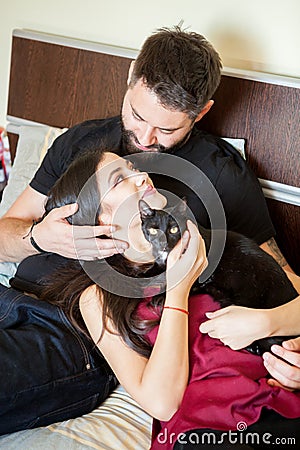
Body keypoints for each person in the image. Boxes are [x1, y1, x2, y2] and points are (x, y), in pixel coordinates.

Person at [0, 25, 299, 396]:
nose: (144, 139)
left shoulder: (221, 176)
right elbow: (3, 237)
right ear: (130, 79)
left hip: (73, 331)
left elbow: (284, 282)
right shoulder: (80, 141)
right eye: (138, 115)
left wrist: (271, 325)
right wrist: (37, 238)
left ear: (201, 112)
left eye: (166, 128)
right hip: (10, 295)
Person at [33, 148, 300, 449]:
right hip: (207, 430)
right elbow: (162, 404)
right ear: (97, 219)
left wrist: (269, 322)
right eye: (120, 179)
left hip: (280, 400)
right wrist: (179, 287)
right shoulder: (98, 299)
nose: (141, 176)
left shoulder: (208, 241)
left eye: (132, 166)